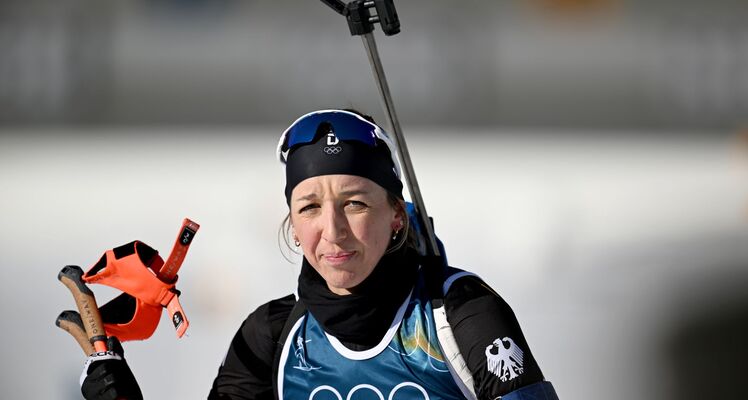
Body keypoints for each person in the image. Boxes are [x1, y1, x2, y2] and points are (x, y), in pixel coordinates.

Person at [80, 109, 559, 400]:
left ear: (396, 214)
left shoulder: (458, 313)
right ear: (292, 222)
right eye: (309, 207)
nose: (333, 231)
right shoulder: (271, 337)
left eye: (354, 203)